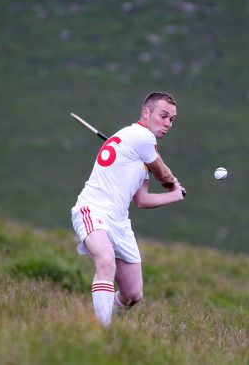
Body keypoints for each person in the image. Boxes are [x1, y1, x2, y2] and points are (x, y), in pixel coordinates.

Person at [70, 91, 186, 326]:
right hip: (93, 210)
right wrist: (172, 183)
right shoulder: (141, 137)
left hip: (120, 222)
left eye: (171, 119)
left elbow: (142, 200)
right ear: (146, 112)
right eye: (163, 116)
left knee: (133, 295)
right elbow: (163, 174)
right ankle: (98, 334)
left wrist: (174, 196)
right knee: (105, 261)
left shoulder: (142, 154)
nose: (167, 123)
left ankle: (99, 323)